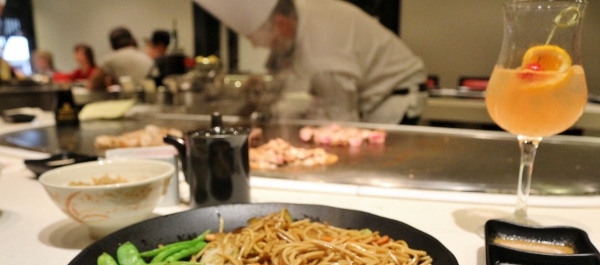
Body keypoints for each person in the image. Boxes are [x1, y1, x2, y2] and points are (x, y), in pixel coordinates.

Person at [195, 0, 428, 124]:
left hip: (394, 99)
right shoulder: (295, 22)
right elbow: (280, 75)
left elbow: (341, 118)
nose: (257, 46)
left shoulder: (323, 44)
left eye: (255, 38)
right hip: (367, 99)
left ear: (282, 25)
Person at [89, 27, 153, 90]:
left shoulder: (111, 59)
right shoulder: (145, 56)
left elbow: (93, 85)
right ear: (132, 40)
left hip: (130, 98)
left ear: (112, 45)